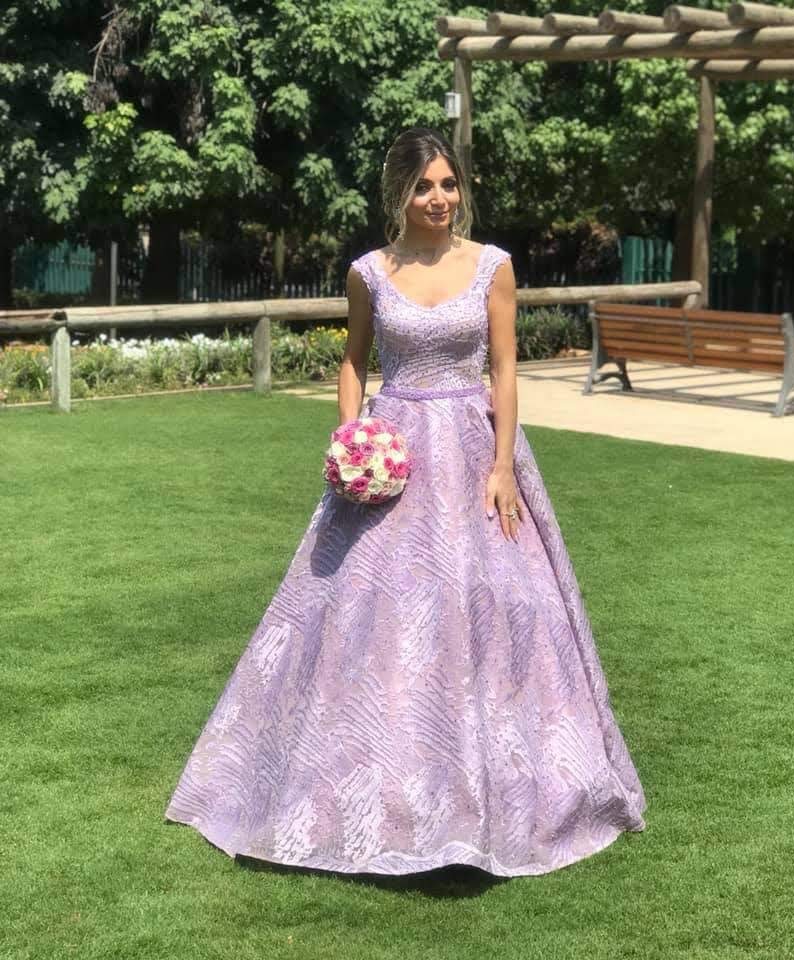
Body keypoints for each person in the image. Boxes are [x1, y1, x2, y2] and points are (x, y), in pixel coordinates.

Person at [164, 126, 647, 878]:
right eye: (424, 186)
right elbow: (354, 361)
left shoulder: (493, 266)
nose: (439, 199)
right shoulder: (369, 272)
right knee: (360, 609)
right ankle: (362, 784)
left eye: (449, 184)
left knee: (491, 608)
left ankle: (502, 787)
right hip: (393, 453)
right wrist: (350, 439)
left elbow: (507, 370)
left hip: (473, 449)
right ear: (398, 194)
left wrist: (501, 465)